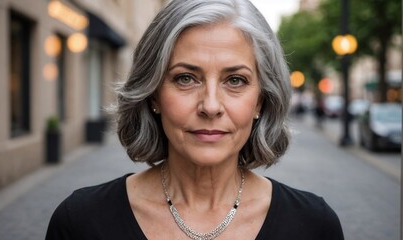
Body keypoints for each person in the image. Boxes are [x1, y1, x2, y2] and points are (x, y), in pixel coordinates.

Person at [46, 0, 344, 239]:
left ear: (260, 102)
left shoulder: (315, 225)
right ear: (153, 96)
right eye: (186, 78)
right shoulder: (80, 223)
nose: (211, 106)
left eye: (236, 80)